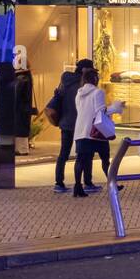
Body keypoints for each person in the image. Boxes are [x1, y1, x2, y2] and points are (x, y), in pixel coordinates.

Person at [73, 68, 123, 197]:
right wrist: (116, 107)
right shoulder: (97, 92)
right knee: (105, 160)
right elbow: (101, 111)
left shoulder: (79, 93)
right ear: (95, 79)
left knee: (80, 160)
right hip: (96, 132)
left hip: (81, 130)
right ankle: (113, 185)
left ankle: (77, 187)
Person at [47, 58, 92, 193]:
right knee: (85, 154)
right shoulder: (84, 85)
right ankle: (87, 182)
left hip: (65, 122)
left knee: (63, 153)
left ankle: (59, 183)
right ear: (85, 70)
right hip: (81, 123)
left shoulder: (65, 81)